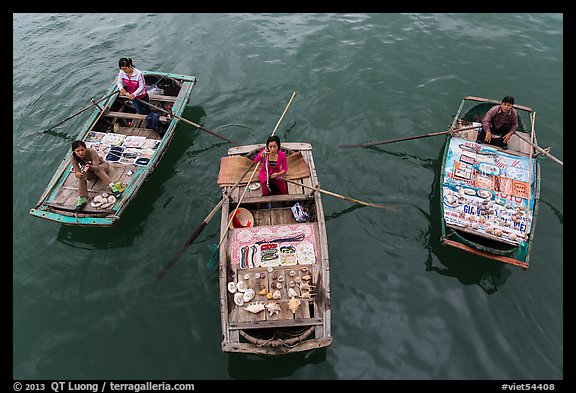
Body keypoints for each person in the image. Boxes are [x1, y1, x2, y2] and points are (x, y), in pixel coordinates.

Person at [70, 140, 122, 211]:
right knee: (81, 176)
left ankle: (112, 187)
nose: (80, 152)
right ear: (74, 151)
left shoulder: (92, 152)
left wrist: (89, 166)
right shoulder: (73, 158)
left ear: (86, 149)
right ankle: (82, 198)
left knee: (97, 170)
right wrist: (78, 174)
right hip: (90, 172)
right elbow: (76, 170)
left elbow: (96, 167)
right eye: (78, 151)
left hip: (102, 167)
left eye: (82, 150)